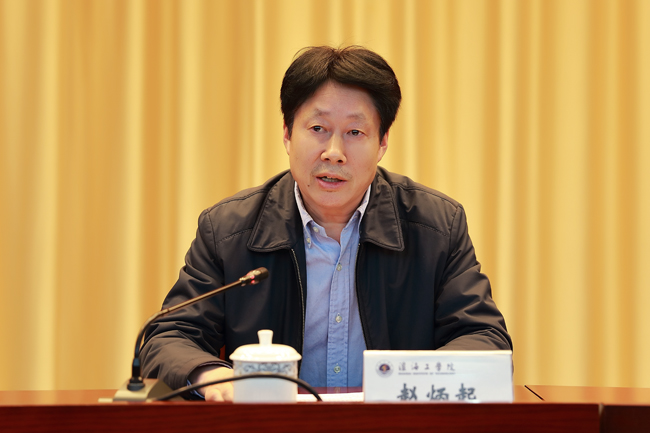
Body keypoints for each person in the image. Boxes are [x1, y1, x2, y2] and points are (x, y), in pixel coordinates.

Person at [141, 46, 512, 401]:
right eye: (318, 128)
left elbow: (484, 338)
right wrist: (211, 376)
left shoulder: (436, 228)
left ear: (382, 143)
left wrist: (416, 383)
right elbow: (170, 337)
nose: (334, 153)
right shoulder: (227, 231)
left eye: (355, 132)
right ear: (287, 134)